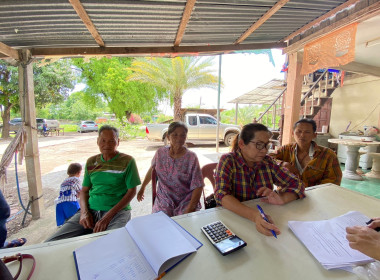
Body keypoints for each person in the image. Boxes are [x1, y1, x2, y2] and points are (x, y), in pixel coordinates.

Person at [46, 125, 141, 241]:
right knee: (52, 242)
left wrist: (107, 217)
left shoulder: (128, 161)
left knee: (114, 243)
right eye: (103, 141)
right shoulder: (91, 162)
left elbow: (131, 192)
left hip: (117, 212)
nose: (107, 145)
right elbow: (84, 191)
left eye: (112, 141)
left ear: (118, 142)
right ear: (97, 141)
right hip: (91, 209)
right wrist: (84, 213)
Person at [214, 123, 305, 237]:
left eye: (267, 145)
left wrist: (283, 198)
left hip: (266, 217)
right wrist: (254, 216)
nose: (264, 151)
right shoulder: (228, 161)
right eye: (259, 145)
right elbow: (221, 195)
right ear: (242, 144)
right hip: (235, 220)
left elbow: (297, 184)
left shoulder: (268, 162)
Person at [137, 122, 204, 217]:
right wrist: (142, 187)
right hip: (164, 199)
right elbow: (152, 169)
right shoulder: (160, 153)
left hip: (185, 200)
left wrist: (190, 208)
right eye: (175, 135)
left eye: (183, 135)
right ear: (168, 137)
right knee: (160, 224)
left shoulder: (191, 157)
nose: (179, 138)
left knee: (183, 226)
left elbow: (198, 185)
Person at [270, 118, 342, 187]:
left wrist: (307, 189)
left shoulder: (328, 154)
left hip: (315, 195)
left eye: (307, 132)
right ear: (292, 133)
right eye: (299, 131)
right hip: (288, 193)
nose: (302, 135)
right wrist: (283, 164)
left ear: (314, 135)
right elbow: (267, 159)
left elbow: (335, 180)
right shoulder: (285, 149)